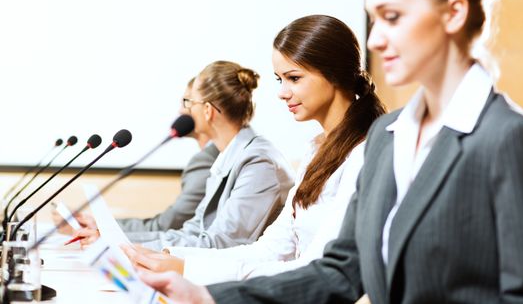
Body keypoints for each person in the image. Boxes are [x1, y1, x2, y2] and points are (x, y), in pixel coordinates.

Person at [139, 0, 523, 303]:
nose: (374, 39)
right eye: (373, 19)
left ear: (454, 13)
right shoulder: (388, 135)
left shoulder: (506, 137)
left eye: (392, 17)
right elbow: (340, 271)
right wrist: (211, 296)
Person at [122, 15, 386, 284]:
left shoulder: (364, 154)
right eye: (279, 79)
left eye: (293, 78)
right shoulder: (316, 149)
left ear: (334, 73)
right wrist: (172, 256)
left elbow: (314, 267)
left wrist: (186, 269)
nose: (282, 93)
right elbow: (272, 249)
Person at [75, 60, 294, 251]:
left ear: (207, 110)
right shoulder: (229, 157)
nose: (184, 110)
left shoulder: (258, 163)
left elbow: (223, 243)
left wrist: (125, 247)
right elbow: (193, 231)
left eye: (189, 103)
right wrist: (115, 240)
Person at [53, 78, 219, 237]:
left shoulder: (207, 160)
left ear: (207, 110)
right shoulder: (211, 157)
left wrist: (102, 228)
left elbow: (167, 225)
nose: (180, 111)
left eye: (187, 102)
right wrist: (98, 225)